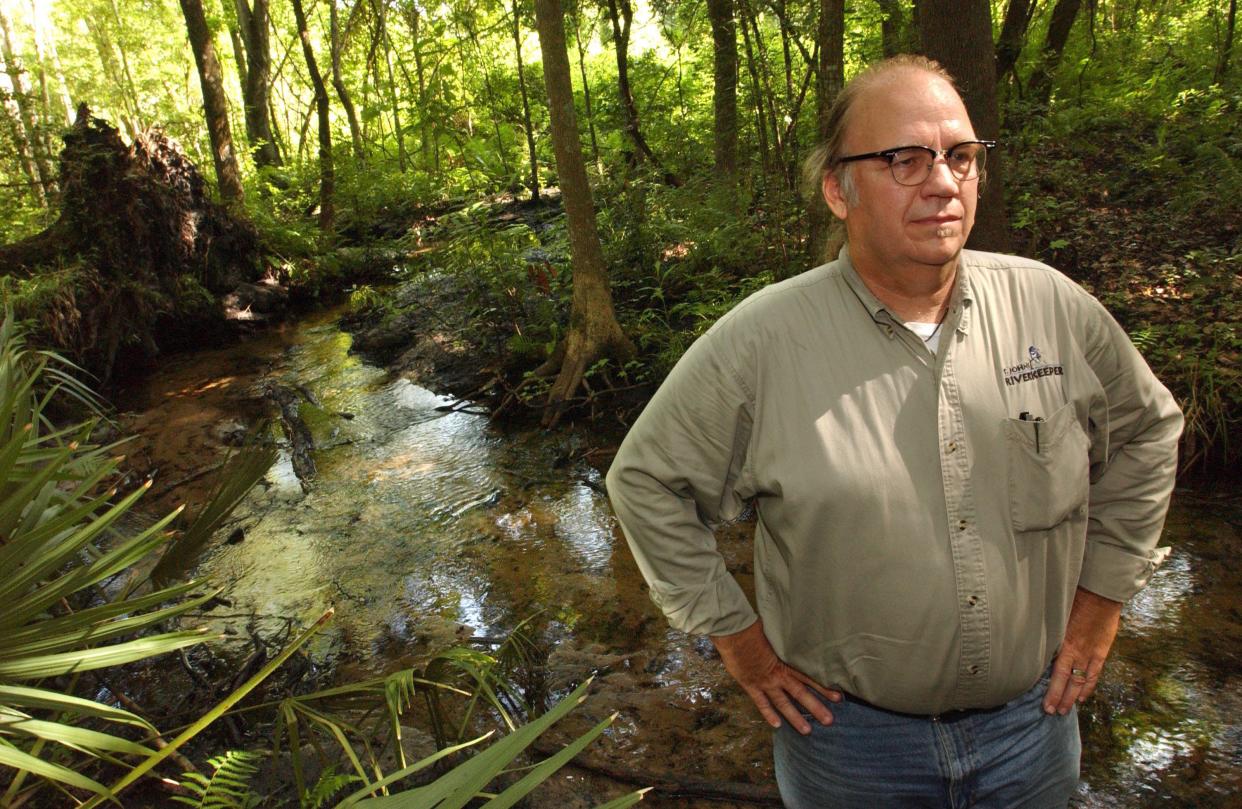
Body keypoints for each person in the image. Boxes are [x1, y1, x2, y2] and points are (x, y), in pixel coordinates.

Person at [605, 55, 1182, 808]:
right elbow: (645, 482)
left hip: (1035, 730)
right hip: (850, 751)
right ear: (837, 189)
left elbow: (1148, 431)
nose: (943, 182)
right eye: (904, 159)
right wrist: (740, 643)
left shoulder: (1052, 308)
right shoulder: (762, 343)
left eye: (962, 157)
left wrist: (1103, 600)